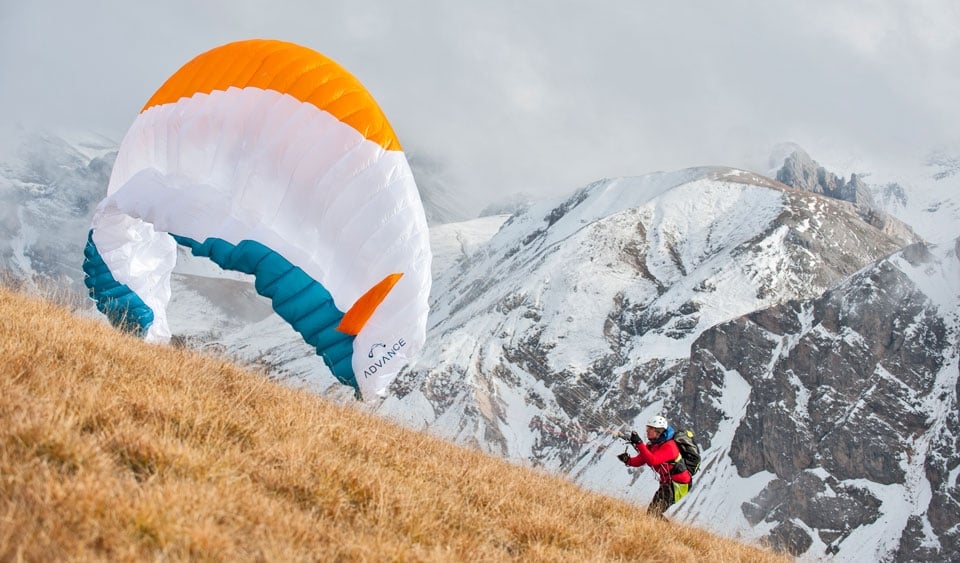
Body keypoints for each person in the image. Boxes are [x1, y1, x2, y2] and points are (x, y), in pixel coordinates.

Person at [616, 415, 692, 518]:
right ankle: (666, 532)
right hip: (667, 483)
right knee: (653, 513)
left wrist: (639, 443)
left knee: (653, 513)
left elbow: (653, 460)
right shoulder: (653, 445)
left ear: (658, 431)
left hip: (679, 485)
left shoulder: (670, 446)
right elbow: (641, 460)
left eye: (650, 428)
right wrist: (628, 460)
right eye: (647, 428)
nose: (647, 431)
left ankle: (669, 533)